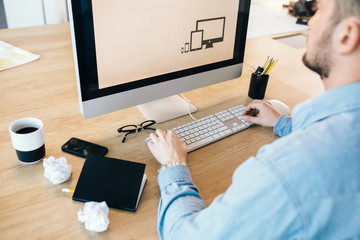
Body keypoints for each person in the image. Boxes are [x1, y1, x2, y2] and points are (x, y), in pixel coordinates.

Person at [147, 0, 360, 239]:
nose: (310, 20)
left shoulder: (289, 170)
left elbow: (185, 236)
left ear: (347, 34)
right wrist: (282, 123)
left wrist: (174, 164)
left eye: (319, 9)